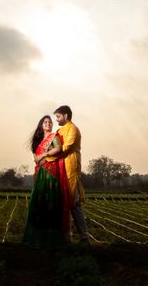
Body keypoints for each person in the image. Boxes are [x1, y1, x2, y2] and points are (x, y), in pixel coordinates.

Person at [22, 115, 69, 247]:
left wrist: (44, 155)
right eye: (45, 122)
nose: (47, 124)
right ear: (41, 125)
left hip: (51, 174)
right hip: (40, 173)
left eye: (49, 122)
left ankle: (52, 240)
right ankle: (37, 239)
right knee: (38, 203)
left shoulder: (54, 137)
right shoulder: (37, 141)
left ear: (52, 125)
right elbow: (35, 158)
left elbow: (58, 149)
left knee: (51, 203)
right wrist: (38, 158)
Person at [54, 105, 89, 244]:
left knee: (74, 203)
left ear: (66, 116)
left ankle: (84, 237)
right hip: (59, 169)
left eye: (58, 116)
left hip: (71, 169)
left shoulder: (73, 129)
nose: (56, 119)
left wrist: (50, 154)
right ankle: (65, 237)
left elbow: (66, 148)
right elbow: (53, 146)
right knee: (61, 204)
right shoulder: (59, 131)